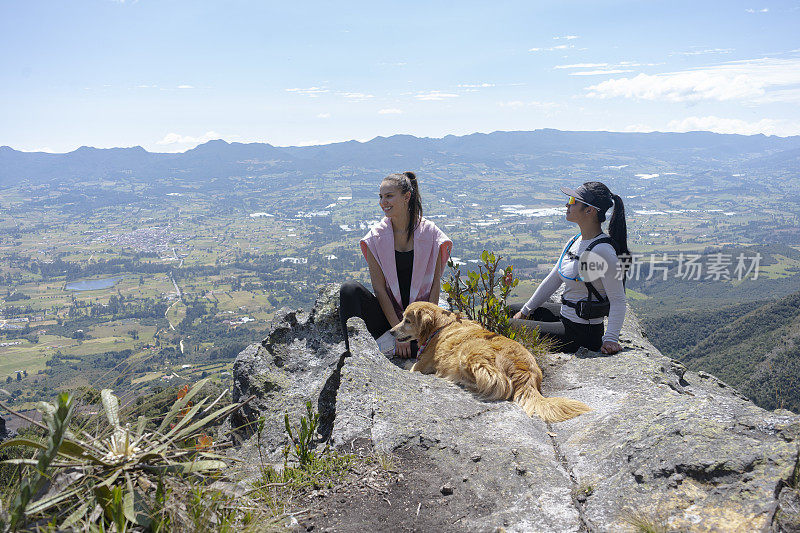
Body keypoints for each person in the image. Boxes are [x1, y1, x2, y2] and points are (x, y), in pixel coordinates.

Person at [340, 172, 452, 358]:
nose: (383, 202)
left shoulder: (431, 234)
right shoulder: (375, 238)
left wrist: (420, 330)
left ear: (407, 197)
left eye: (389, 196)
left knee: (444, 345)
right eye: (381, 197)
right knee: (349, 290)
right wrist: (399, 334)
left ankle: (398, 348)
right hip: (389, 317)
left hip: (419, 318)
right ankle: (353, 355)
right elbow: (379, 289)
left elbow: (434, 285)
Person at [510, 181, 630, 355]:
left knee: (507, 325)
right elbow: (553, 279)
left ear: (590, 210)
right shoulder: (575, 241)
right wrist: (526, 311)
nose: (568, 204)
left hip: (583, 333)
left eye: (574, 200)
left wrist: (610, 339)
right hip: (566, 316)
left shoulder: (602, 251)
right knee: (511, 310)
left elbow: (618, 299)